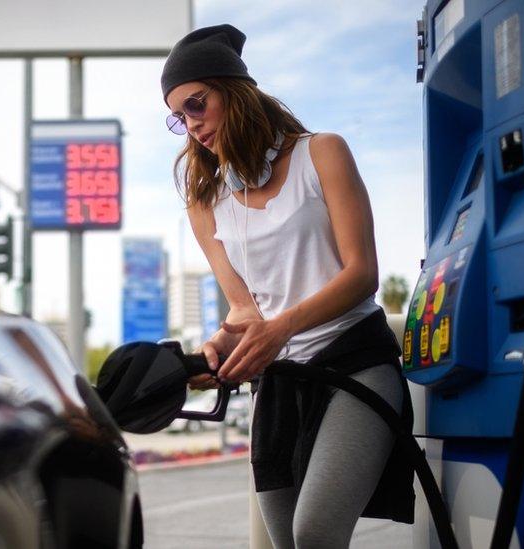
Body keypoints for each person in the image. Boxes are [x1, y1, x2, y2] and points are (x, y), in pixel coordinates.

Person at [160, 24, 412, 548]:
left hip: (356, 363)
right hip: (280, 383)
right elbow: (245, 312)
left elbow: (362, 273)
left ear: (236, 89)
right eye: (179, 117)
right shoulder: (205, 204)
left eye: (198, 104)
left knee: (315, 532)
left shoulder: (322, 154)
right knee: (286, 543)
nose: (192, 126)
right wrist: (223, 344)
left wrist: (280, 330)